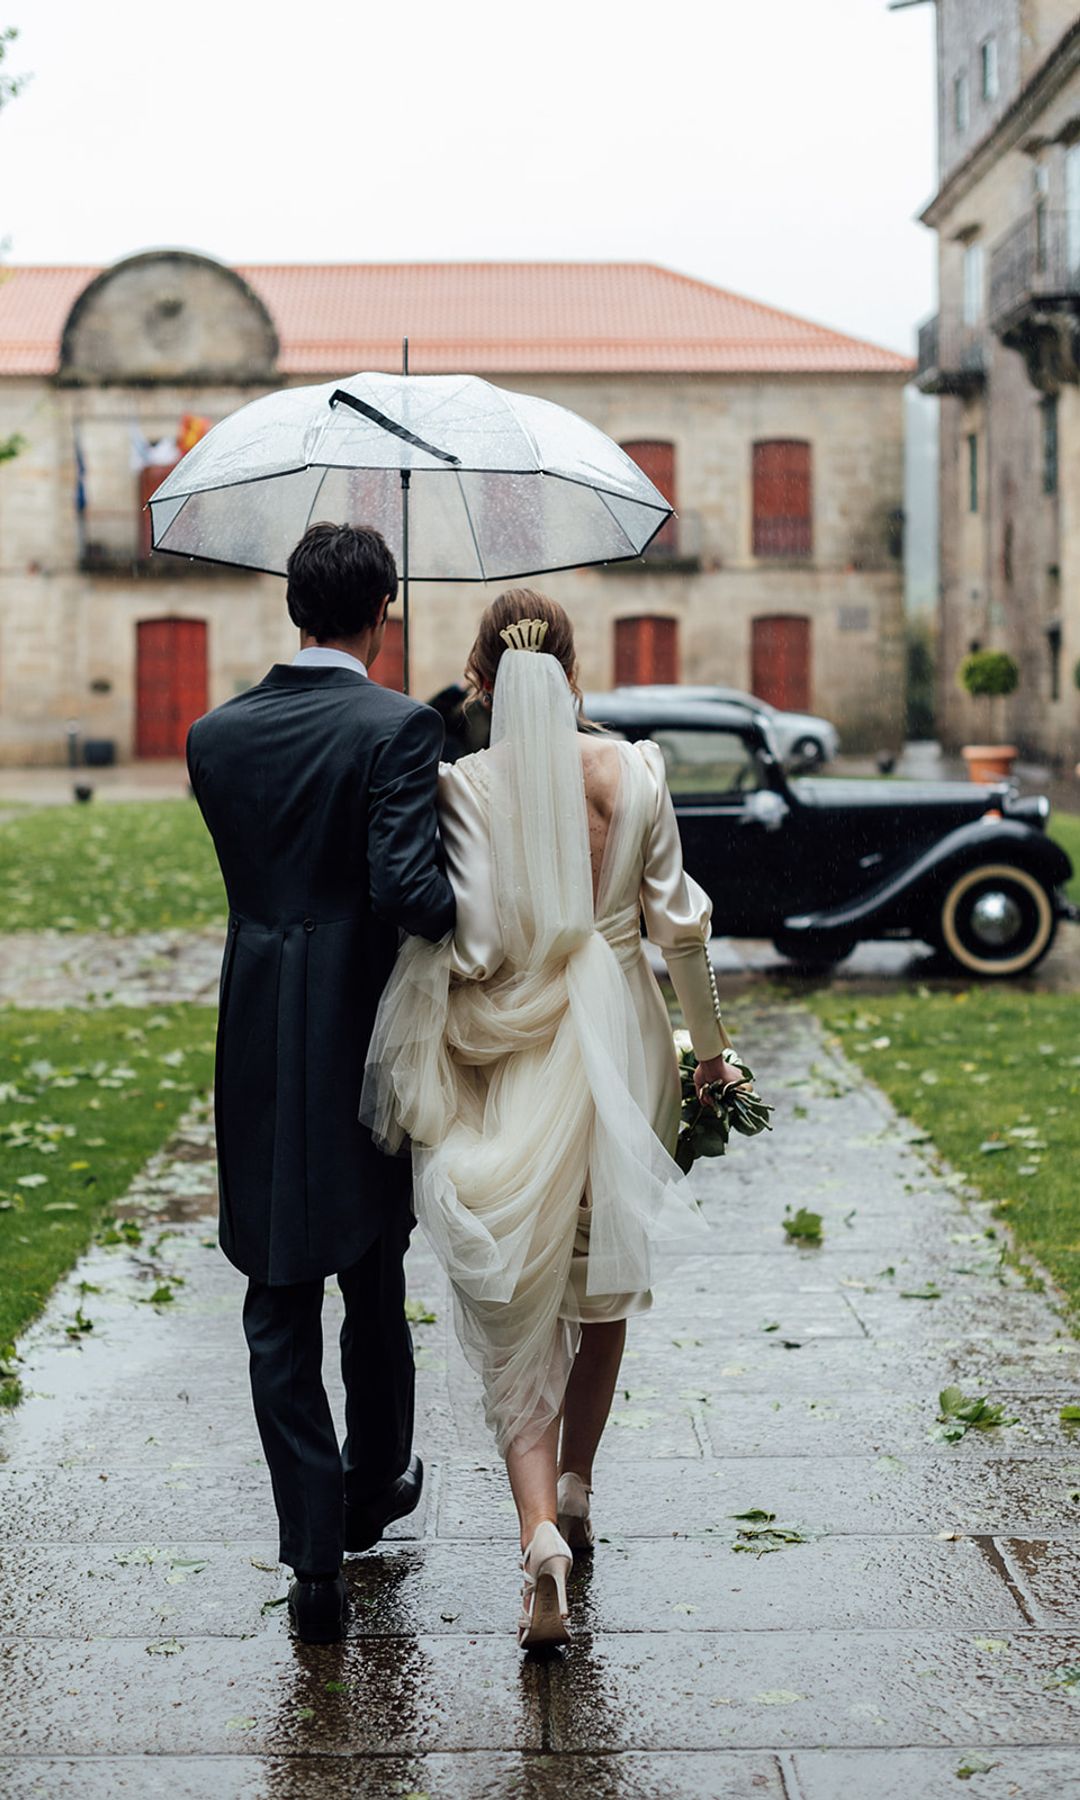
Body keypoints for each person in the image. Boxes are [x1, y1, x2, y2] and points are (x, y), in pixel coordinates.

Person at [363, 589, 744, 1649]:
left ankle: (537, 1536)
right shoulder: (639, 772)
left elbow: (475, 947)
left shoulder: (463, 786)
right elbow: (682, 929)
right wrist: (711, 1056)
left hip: (519, 1055)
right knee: (601, 1281)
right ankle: (576, 1485)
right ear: (575, 676)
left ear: (479, 679)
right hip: (621, 1036)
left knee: (511, 1303)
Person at [187, 522, 455, 1645]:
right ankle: (371, 1485)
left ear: (297, 607)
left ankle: (311, 1563)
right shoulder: (398, 727)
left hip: (255, 1024)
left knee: (273, 1284)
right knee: (372, 1267)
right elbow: (409, 890)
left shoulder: (214, 737)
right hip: (358, 1027)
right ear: (381, 614)